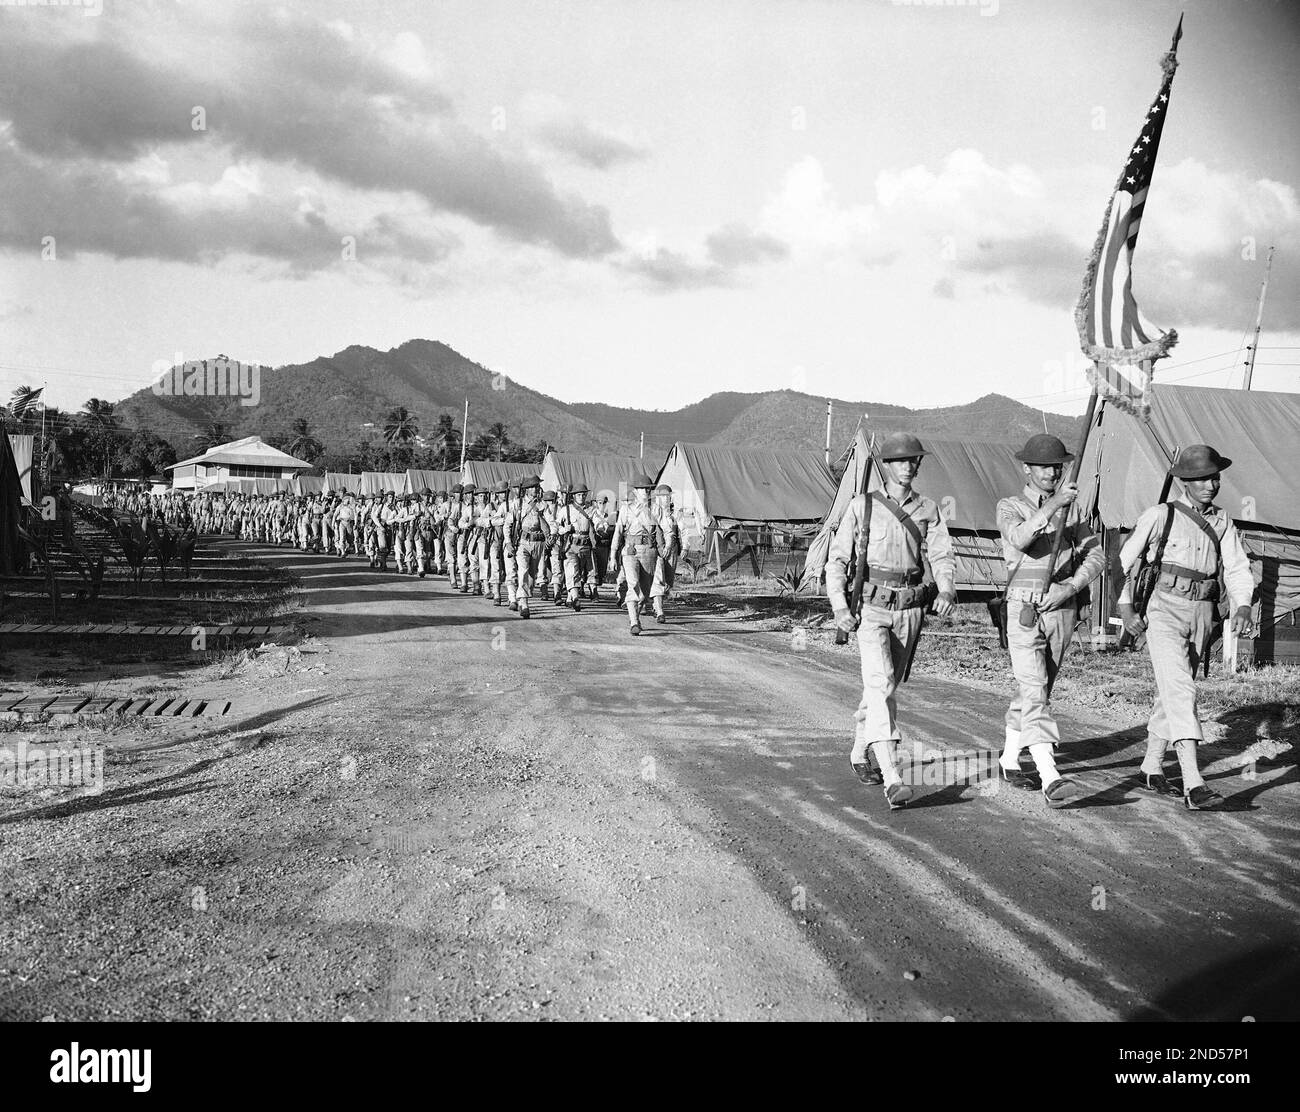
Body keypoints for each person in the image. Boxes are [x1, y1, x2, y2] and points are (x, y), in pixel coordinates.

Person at [1117, 444, 1255, 811]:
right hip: (1162, 609)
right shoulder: (1160, 515)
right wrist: (1127, 607)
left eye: (1215, 477)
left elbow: (1238, 567)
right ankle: (1194, 783)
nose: (1212, 484)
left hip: (1202, 613)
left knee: (1173, 690)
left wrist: (1242, 605)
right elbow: (1124, 563)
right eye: (1204, 478)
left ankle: (1149, 766)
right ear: (1186, 481)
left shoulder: (1223, 521)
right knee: (1181, 690)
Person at [825, 433, 956, 810]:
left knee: (882, 687)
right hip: (870, 609)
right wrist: (839, 607)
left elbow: (943, 554)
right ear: (887, 465)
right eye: (901, 461)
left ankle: (858, 750)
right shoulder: (861, 507)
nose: (909, 466)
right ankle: (893, 775)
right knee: (881, 684)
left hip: (911, 607)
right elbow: (838, 561)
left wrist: (946, 590)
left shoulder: (929, 508)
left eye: (914, 460)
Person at [995, 434, 1105, 808]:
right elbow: (1020, 539)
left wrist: (1071, 586)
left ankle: (1010, 759)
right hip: (1023, 608)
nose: (1051, 472)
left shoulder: (1073, 514)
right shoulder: (1009, 506)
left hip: (1061, 607)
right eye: (1043, 466)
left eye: (1056, 466)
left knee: (1036, 689)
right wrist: (1053, 506)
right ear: (1026, 468)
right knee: (1035, 687)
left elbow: (1097, 556)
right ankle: (1050, 776)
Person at [610, 473, 666, 635]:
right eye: (642, 489)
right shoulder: (626, 509)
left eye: (648, 490)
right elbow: (618, 532)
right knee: (633, 584)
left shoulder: (656, 509)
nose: (646, 493)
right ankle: (633, 621)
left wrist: (667, 546)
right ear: (635, 491)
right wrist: (613, 555)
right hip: (630, 550)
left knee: (645, 592)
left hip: (649, 551)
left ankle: (635, 615)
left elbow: (666, 528)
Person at [511, 476, 550, 619]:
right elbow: (510, 523)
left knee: (532, 576)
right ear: (527, 489)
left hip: (539, 543)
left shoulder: (543, 505)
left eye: (537, 486)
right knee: (523, 570)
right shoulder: (518, 504)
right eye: (533, 486)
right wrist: (509, 542)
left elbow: (552, 523)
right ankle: (524, 602)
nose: (535, 489)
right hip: (523, 542)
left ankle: (523, 597)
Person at [558, 483, 598, 611]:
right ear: (574, 496)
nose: (581, 497)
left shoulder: (591, 510)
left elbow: (598, 523)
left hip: (586, 546)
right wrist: (565, 529)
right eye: (579, 495)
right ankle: (575, 599)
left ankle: (570, 598)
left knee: (580, 573)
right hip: (571, 545)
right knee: (572, 571)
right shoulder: (566, 510)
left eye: (583, 495)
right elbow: (556, 528)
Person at [650, 483, 681, 623]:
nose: (666, 499)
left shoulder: (675, 513)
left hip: (672, 549)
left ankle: (656, 605)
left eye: (668, 496)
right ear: (657, 498)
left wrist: (683, 547)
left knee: (668, 581)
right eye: (662, 496)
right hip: (657, 548)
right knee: (658, 579)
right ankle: (659, 610)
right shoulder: (653, 512)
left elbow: (682, 531)